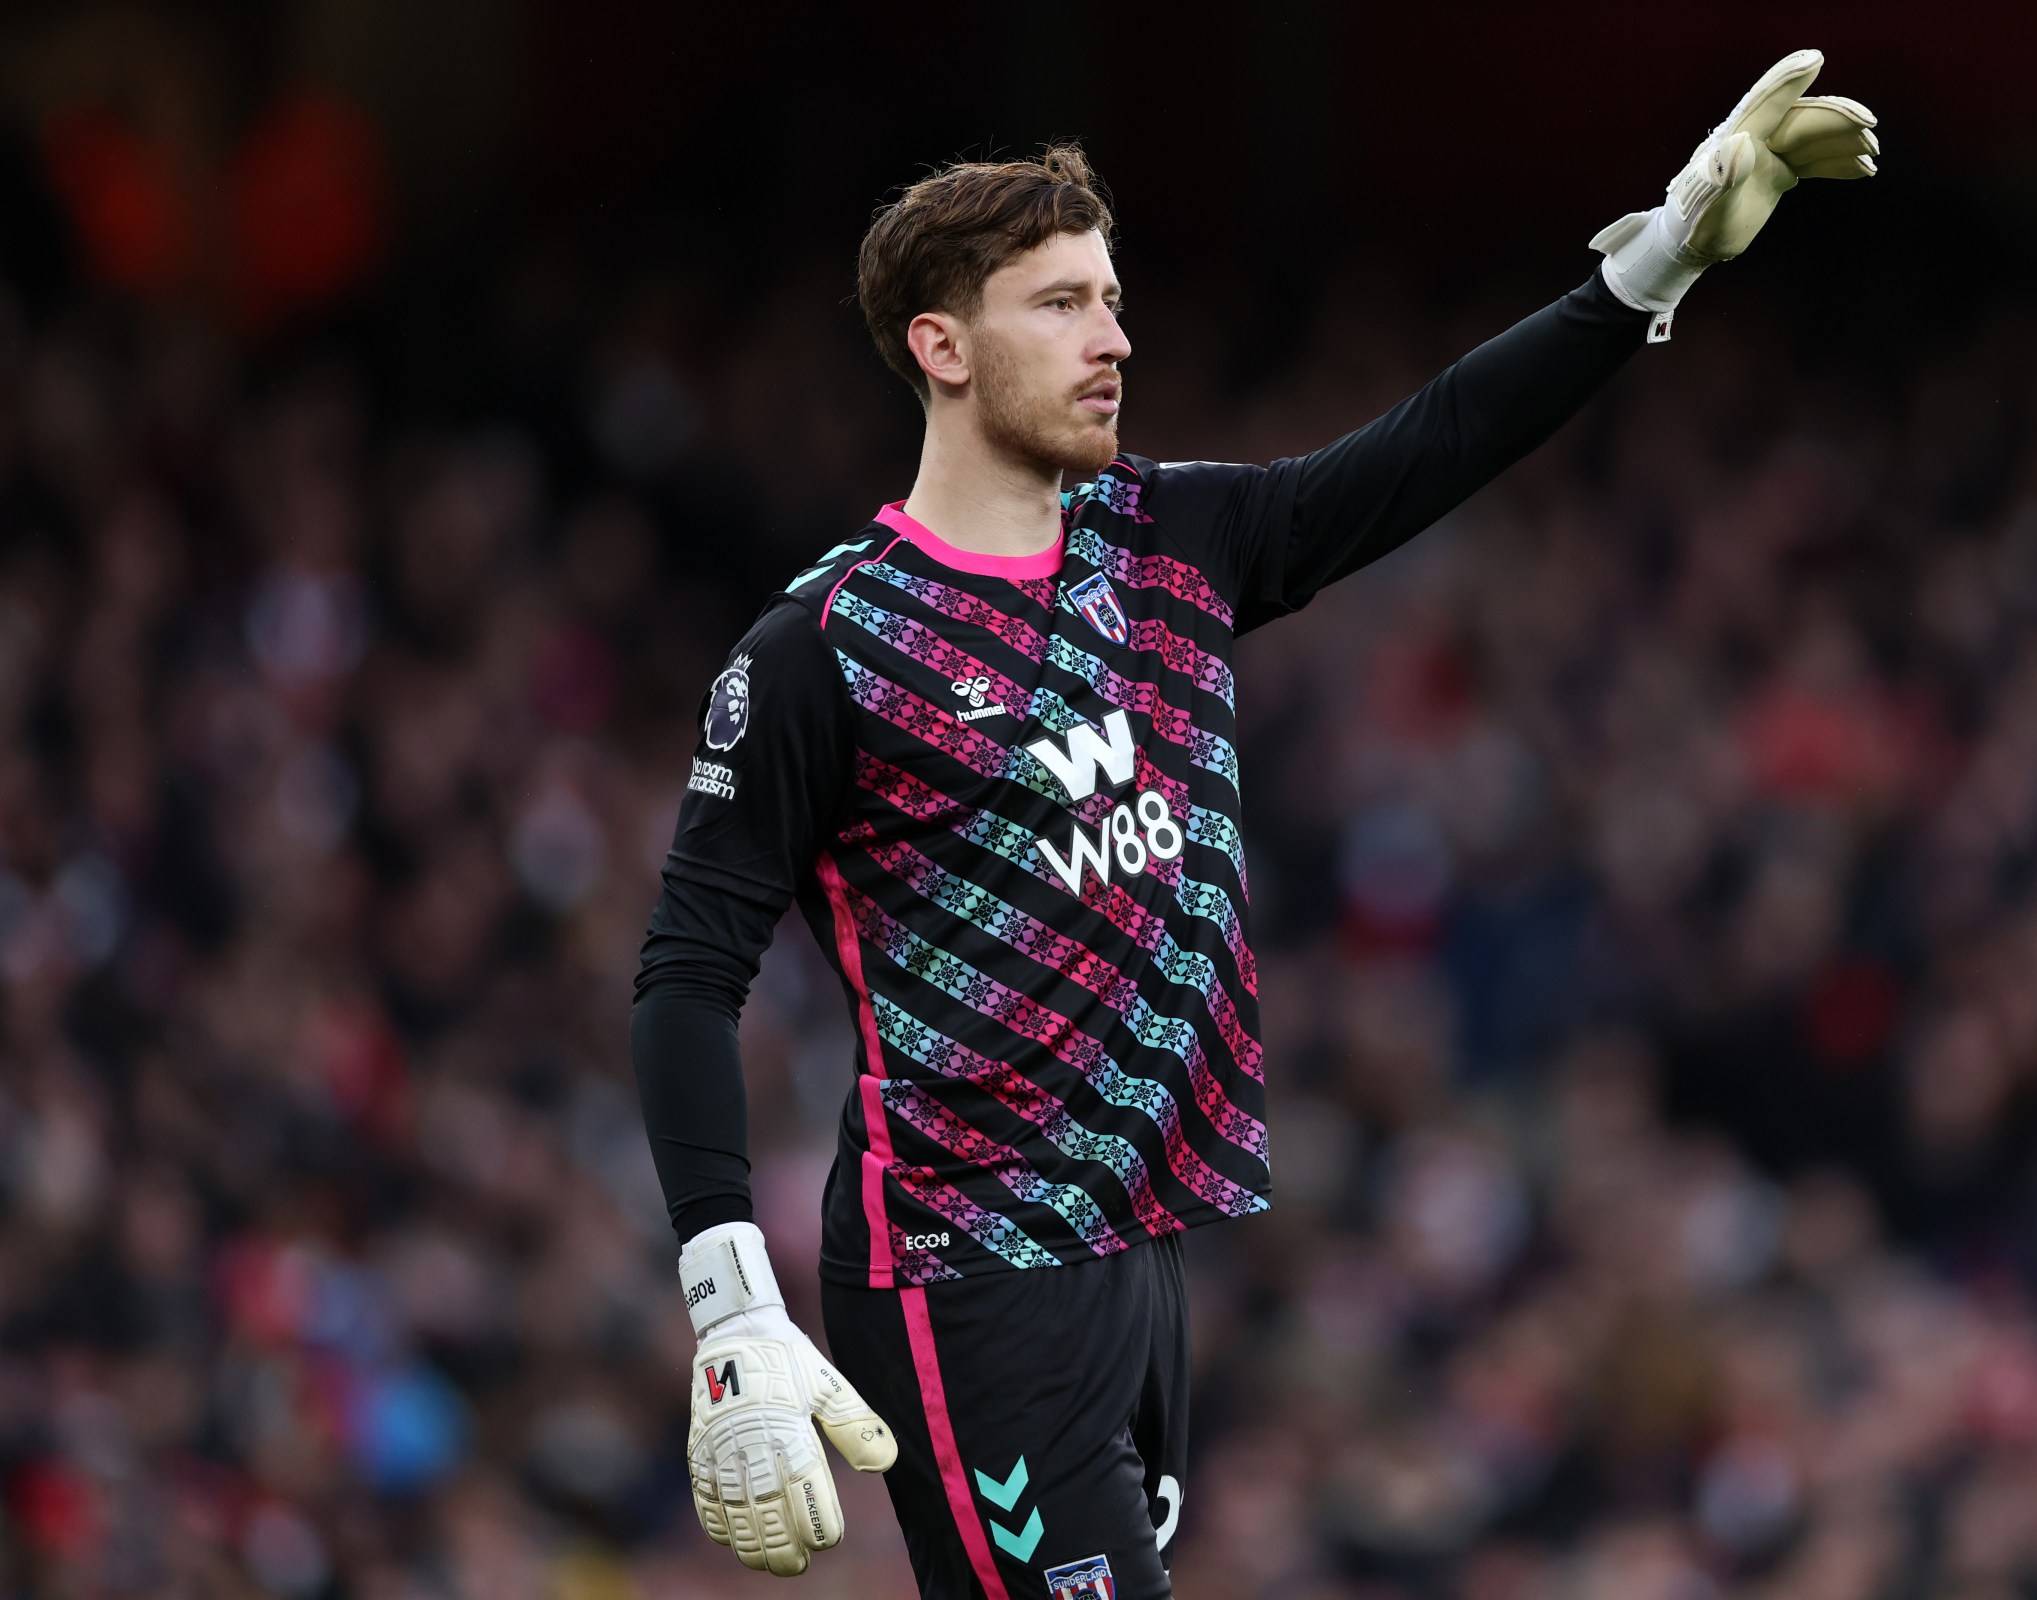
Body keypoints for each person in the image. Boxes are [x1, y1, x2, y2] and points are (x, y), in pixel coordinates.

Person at [630, 50, 1876, 1599]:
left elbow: (1430, 448)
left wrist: (1660, 259)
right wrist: (732, 1298)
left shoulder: (1171, 537)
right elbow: (688, 968)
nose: (1116, 339)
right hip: (969, 1269)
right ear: (941, 346)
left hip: (1143, 1246)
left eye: (1114, 298)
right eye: (1065, 305)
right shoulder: (823, 650)